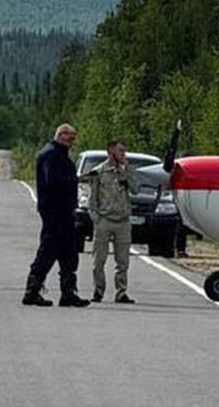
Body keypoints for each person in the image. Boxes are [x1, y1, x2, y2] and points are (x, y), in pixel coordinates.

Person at [22, 123, 90, 308]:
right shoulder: (51, 155)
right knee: (48, 251)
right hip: (54, 211)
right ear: (61, 135)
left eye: (73, 138)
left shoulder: (58, 154)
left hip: (64, 210)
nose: (72, 141)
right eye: (70, 137)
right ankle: (32, 291)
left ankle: (68, 293)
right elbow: (53, 181)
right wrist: (76, 179)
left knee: (69, 253)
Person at [86, 138, 135, 304]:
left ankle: (121, 292)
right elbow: (92, 199)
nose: (124, 154)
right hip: (104, 220)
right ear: (110, 152)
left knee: (123, 261)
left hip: (123, 220)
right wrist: (96, 219)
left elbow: (136, 189)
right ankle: (98, 290)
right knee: (99, 260)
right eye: (121, 151)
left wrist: (127, 171)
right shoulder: (99, 172)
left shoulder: (126, 170)